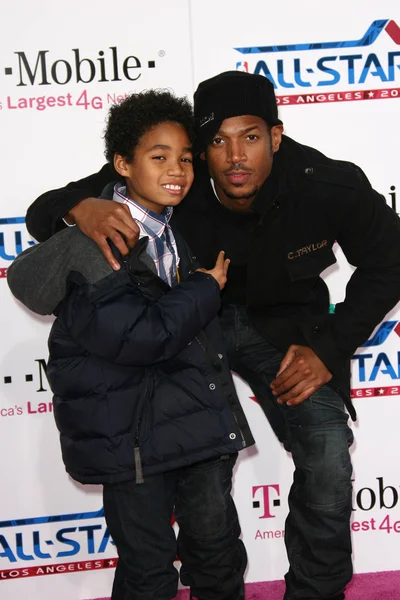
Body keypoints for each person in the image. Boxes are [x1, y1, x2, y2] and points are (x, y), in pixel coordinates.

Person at [25, 71, 400, 600]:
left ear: (276, 135)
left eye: (249, 137)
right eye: (217, 142)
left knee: (328, 453)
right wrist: (79, 209)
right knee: (204, 471)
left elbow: (390, 261)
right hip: (197, 329)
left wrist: (330, 348)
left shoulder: (325, 184)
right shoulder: (179, 173)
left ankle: (316, 591)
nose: (234, 156)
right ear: (201, 149)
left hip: (289, 332)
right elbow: (47, 210)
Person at [8, 89, 255, 600]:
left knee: (219, 559)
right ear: (122, 163)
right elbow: (143, 337)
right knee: (149, 574)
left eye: (186, 158)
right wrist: (205, 288)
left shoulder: (172, 227)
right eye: (159, 157)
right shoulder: (90, 242)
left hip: (195, 428)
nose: (178, 170)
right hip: (134, 443)